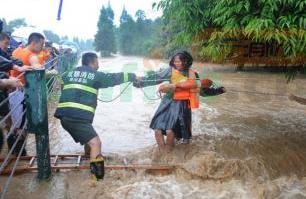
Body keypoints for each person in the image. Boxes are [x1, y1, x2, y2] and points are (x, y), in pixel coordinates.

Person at [54, 52, 139, 181]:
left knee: (88, 135)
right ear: (93, 62)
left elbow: (60, 85)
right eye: (97, 62)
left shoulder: (69, 73)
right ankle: (97, 178)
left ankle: (88, 155)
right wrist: (133, 76)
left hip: (64, 116)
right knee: (96, 143)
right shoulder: (96, 75)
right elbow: (114, 77)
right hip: (77, 118)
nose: (98, 64)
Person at [134, 51, 224, 154]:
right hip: (167, 102)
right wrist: (140, 83)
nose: (178, 63)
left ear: (187, 61)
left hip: (182, 105)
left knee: (170, 131)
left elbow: (201, 91)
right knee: (157, 130)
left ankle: (168, 153)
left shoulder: (193, 74)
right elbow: (155, 78)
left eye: (181, 61)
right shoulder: (169, 71)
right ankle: (163, 154)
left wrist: (218, 91)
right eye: (176, 61)